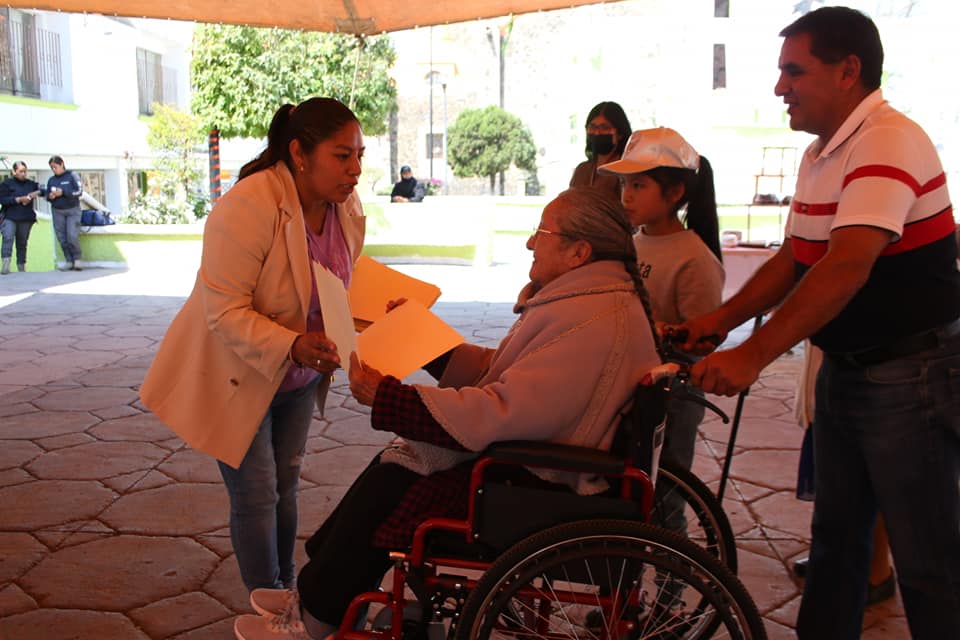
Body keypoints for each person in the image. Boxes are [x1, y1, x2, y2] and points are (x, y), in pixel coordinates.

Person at [232, 186, 661, 640]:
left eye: (542, 231)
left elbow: (505, 408)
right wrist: (426, 341)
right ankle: (321, 596)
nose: (531, 243)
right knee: (394, 465)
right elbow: (509, 373)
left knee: (395, 480)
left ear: (579, 251)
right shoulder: (592, 301)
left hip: (539, 477)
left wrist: (391, 398)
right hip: (539, 457)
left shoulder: (594, 318)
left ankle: (315, 618)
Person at [675, 7, 960, 638]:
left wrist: (753, 355)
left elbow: (845, 266)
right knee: (835, 541)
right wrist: (722, 321)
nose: (781, 87)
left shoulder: (887, 139)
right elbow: (796, 259)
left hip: (909, 377)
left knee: (931, 564)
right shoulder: (823, 151)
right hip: (852, 370)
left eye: (793, 71)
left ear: (849, 70)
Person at [140, 97, 366, 594]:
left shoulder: (345, 207)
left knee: (287, 482)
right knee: (257, 492)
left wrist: (368, 320)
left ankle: (283, 589)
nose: (355, 170)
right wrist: (292, 343)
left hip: (300, 377)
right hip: (237, 368)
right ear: (300, 154)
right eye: (342, 155)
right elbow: (224, 311)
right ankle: (267, 600)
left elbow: (341, 283)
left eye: (359, 156)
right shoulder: (248, 204)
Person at [597, 127, 724, 526]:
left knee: (665, 493)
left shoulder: (694, 258)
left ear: (675, 194)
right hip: (630, 385)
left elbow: (702, 341)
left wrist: (658, 328)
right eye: (624, 185)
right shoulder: (632, 242)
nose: (627, 195)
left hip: (673, 397)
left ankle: (672, 583)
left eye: (640, 184)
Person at [791, 341, 896, 606]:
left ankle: (877, 572)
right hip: (835, 369)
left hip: (878, 374)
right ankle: (837, 563)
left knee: (875, 478)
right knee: (836, 494)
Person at [569, 101, 631, 201]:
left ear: (620, 134)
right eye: (592, 127)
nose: (597, 133)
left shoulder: (625, 170)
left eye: (605, 128)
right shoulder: (582, 169)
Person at [0, 161, 42, 274]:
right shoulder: (6, 184)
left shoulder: (30, 184)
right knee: (8, 239)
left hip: (26, 218)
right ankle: (5, 266)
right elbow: (2, 199)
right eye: (20, 171)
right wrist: (18, 199)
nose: (23, 174)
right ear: (14, 171)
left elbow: (43, 190)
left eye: (25, 171)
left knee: (22, 243)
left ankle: (21, 267)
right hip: (10, 217)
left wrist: (33, 194)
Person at [45, 155, 84, 271]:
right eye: (51, 167)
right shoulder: (51, 180)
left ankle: (77, 259)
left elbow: (79, 192)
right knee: (62, 237)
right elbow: (47, 195)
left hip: (72, 210)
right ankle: (68, 260)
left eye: (55, 166)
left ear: (61, 164)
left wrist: (63, 192)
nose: (53, 169)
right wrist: (50, 196)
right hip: (57, 211)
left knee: (72, 235)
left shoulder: (72, 176)